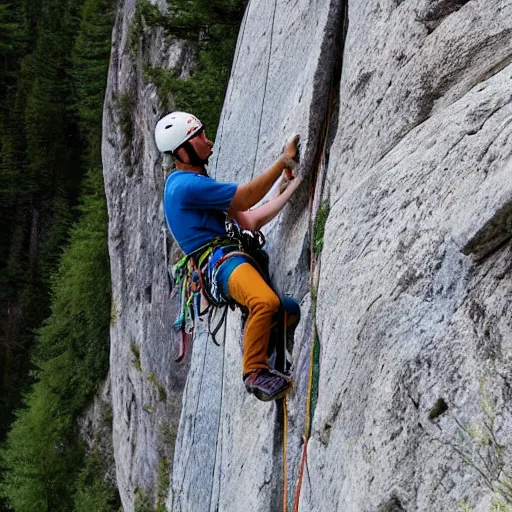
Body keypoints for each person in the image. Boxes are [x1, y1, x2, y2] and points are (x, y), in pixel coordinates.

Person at [155, 111, 302, 401]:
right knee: (265, 301)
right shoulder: (184, 185)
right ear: (182, 151)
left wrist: (290, 188)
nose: (207, 142)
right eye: (199, 137)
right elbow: (246, 197)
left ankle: (266, 342)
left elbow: (249, 220)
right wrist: (283, 162)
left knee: (287, 310)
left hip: (230, 258)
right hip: (221, 262)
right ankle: (255, 371)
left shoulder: (194, 187)